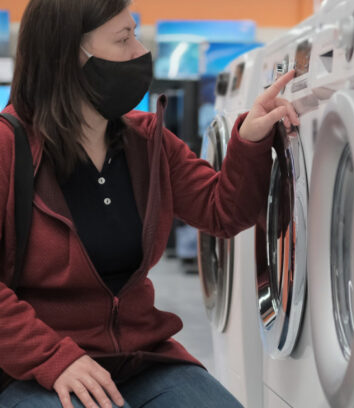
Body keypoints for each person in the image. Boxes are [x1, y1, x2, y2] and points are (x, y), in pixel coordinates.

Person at [0, 0, 300, 407]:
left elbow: (222, 211)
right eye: (124, 39)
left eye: (135, 34)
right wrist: (54, 358)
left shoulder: (148, 142)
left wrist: (249, 139)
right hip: (38, 368)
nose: (141, 53)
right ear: (70, 57)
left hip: (142, 359)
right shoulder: (8, 149)